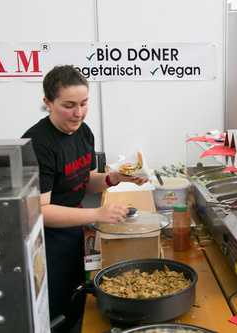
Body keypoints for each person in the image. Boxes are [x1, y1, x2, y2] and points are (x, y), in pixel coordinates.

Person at [22, 65, 148, 333]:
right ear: (48, 103)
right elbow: (40, 210)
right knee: (57, 311)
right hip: (49, 242)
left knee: (78, 302)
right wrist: (97, 215)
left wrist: (115, 177)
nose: (78, 113)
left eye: (84, 103)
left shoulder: (83, 131)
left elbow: (84, 181)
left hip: (75, 233)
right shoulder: (38, 143)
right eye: (68, 105)